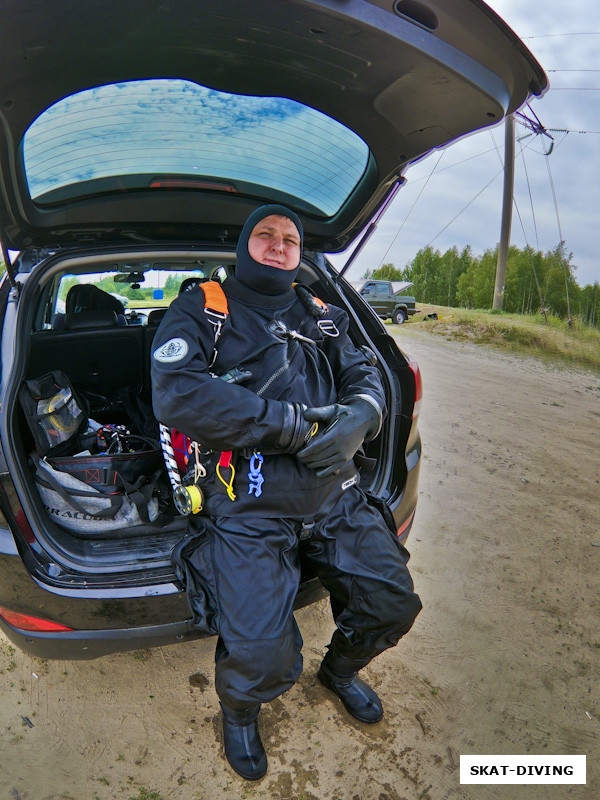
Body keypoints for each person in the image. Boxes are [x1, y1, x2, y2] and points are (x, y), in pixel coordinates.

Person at [151, 204, 422, 781]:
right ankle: (241, 712)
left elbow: (367, 374)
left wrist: (362, 417)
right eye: (266, 235)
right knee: (262, 655)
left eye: (291, 239)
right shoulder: (204, 308)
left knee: (392, 604)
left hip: (335, 495)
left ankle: (340, 673)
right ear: (245, 243)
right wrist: (291, 425)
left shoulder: (324, 313)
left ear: (301, 253)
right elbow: (178, 394)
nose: (279, 245)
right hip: (248, 501)